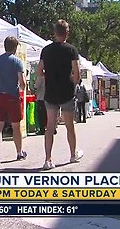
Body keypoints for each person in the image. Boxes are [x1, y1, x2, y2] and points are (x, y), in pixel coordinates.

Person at [38, 19, 83, 170]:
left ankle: (48, 159)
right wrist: (74, 84)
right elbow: (77, 72)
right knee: (70, 126)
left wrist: (48, 77)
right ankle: (72, 155)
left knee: (49, 127)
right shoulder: (71, 50)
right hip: (67, 92)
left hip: (50, 92)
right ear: (67, 33)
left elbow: (39, 71)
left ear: (55, 32)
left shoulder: (46, 50)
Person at [0, 36, 27, 164]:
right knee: (16, 126)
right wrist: (21, 88)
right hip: (12, 96)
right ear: (15, 47)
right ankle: (19, 153)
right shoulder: (17, 61)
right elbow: (22, 82)